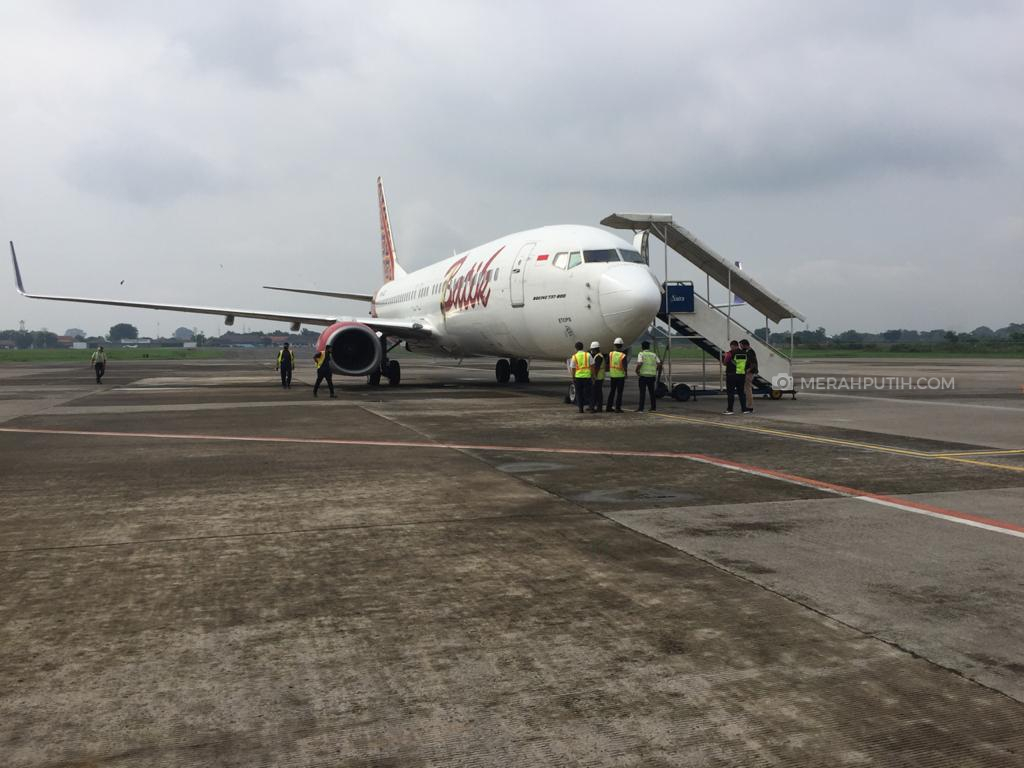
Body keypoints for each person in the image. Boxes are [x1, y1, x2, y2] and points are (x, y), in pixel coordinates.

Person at [635, 341, 661, 412]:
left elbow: (640, 363)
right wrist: (656, 369)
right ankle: (653, 408)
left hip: (643, 376)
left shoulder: (641, 354)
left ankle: (641, 408)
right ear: (649, 347)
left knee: (642, 393)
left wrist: (636, 370)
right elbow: (659, 364)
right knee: (652, 392)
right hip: (652, 376)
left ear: (642, 347)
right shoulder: (653, 354)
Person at [722, 340, 747, 414]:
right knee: (741, 393)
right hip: (741, 375)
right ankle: (744, 409)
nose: (731, 348)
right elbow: (746, 363)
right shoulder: (744, 353)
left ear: (733, 346)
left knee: (730, 393)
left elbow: (725, 362)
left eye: (731, 346)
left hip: (731, 375)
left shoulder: (730, 353)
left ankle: (730, 410)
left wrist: (725, 357)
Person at [568, 340, 593, 413]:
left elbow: (573, 368)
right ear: (583, 347)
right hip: (587, 377)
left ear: (576, 348)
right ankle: (591, 408)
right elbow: (592, 366)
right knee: (589, 393)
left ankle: (581, 409)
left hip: (578, 377)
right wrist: (593, 375)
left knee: (579, 394)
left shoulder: (574, 356)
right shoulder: (588, 355)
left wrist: (573, 377)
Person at [605, 337, 628, 413]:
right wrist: (626, 374)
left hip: (613, 376)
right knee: (619, 393)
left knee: (612, 391)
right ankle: (617, 408)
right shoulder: (623, 355)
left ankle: (608, 407)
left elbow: (607, 364)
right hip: (620, 376)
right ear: (621, 346)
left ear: (615, 345)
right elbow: (625, 366)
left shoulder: (610, 354)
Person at [739, 339, 758, 413]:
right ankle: (748, 406)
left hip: (749, 373)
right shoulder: (747, 351)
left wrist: (748, 370)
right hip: (748, 372)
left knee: (748, 389)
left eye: (741, 345)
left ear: (745, 345)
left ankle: (750, 407)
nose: (740, 347)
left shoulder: (750, 352)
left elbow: (753, 363)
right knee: (746, 389)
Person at [589, 341, 605, 413]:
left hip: (598, 377)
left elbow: (596, 368)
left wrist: (594, 377)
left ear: (595, 349)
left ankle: (595, 408)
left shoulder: (598, 357)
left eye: (592, 349)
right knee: (597, 393)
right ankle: (597, 407)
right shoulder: (598, 355)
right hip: (599, 377)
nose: (591, 351)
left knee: (596, 393)